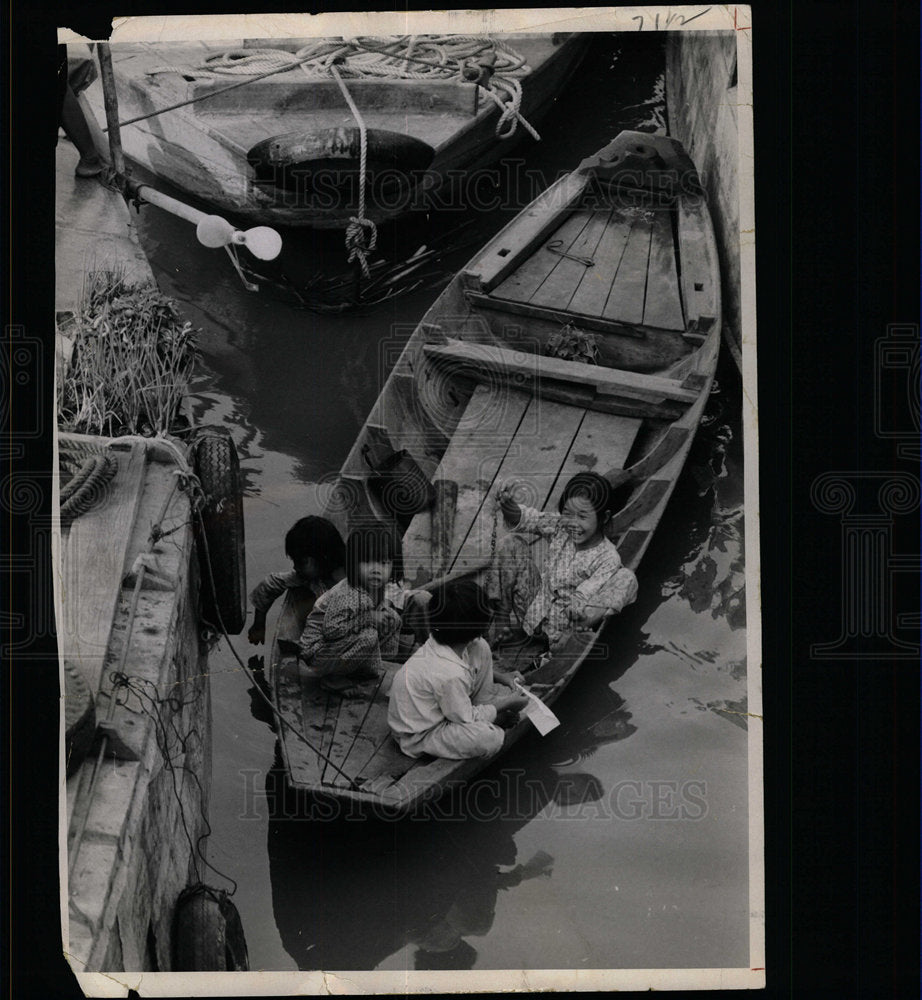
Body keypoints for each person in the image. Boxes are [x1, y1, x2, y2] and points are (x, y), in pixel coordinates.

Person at [489, 471, 638, 655]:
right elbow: (526, 519)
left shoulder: (607, 558)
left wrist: (578, 609)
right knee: (510, 543)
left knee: (626, 577)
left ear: (604, 518)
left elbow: (587, 592)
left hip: (564, 628)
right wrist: (506, 503)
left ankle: (558, 651)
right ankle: (502, 624)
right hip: (533, 613)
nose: (572, 523)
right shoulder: (560, 526)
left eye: (582, 517)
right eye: (567, 514)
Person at [388, 580, 528, 759]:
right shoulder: (449, 675)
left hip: (443, 708)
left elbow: (465, 666)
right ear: (480, 627)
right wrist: (508, 703)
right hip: (421, 734)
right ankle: (487, 714)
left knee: (481, 646)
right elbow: (465, 716)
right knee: (489, 738)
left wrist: (502, 677)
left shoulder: (444, 644)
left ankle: (484, 705)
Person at [296, 523, 406, 695]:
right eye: (367, 562)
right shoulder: (348, 593)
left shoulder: (375, 586)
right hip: (317, 652)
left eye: (384, 563)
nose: (376, 570)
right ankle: (331, 679)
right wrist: (368, 618)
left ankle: (375, 664)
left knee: (393, 618)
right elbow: (331, 630)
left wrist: (378, 615)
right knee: (369, 636)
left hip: (342, 641)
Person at [248, 516, 346, 645]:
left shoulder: (353, 579)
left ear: (322, 558)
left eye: (301, 562)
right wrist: (259, 624)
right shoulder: (306, 578)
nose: (295, 567)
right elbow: (269, 585)